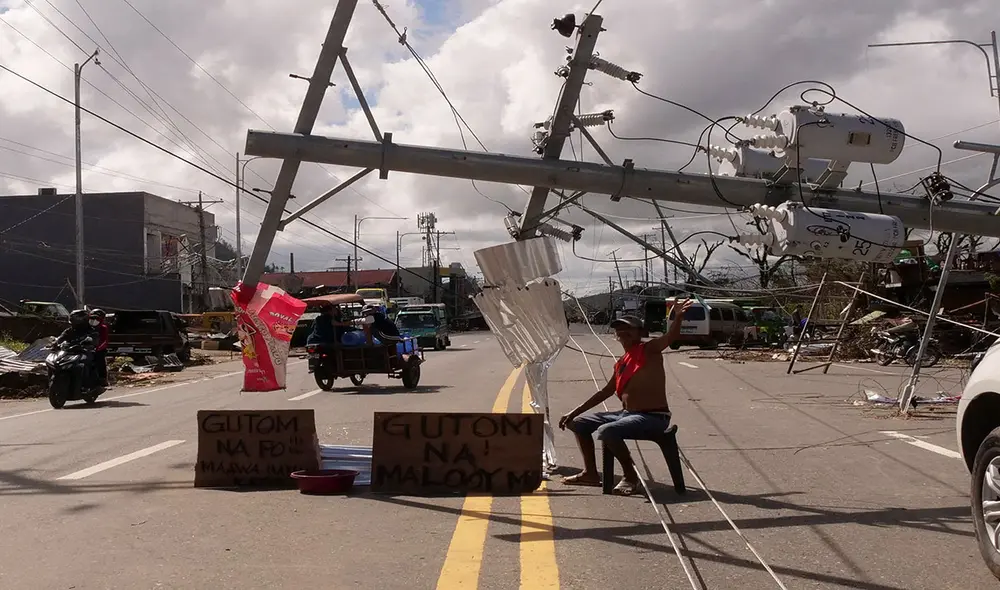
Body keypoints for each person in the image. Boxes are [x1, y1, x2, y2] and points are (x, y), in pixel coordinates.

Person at [558, 298, 694, 496]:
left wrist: (678, 317)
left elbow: (670, 337)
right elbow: (605, 392)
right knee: (578, 423)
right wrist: (573, 412)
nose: (623, 332)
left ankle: (630, 476)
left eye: (629, 329)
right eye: (619, 330)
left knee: (607, 430)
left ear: (641, 333)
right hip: (626, 414)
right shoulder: (622, 362)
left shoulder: (649, 349)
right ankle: (590, 474)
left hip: (653, 417)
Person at [54, 309, 100, 383]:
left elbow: (94, 339)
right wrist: (56, 343)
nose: (75, 321)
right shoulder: (69, 330)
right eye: (74, 319)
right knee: (56, 362)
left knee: (88, 362)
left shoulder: (91, 330)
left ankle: (90, 383)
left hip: (84, 352)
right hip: (68, 352)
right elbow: (61, 338)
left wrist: (89, 343)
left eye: (77, 319)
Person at [89, 308, 110, 386]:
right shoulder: (85, 327)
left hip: (98, 349)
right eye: (92, 318)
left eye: (97, 318)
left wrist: (97, 348)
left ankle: (103, 379)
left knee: (100, 362)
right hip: (85, 348)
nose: (94, 320)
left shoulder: (103, 328)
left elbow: (104, 340)